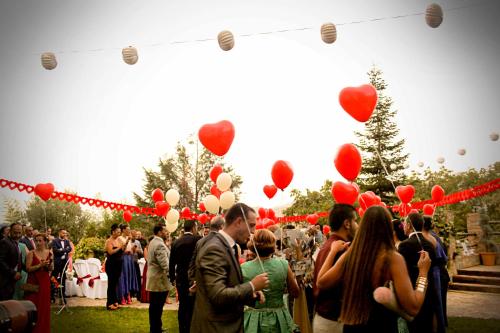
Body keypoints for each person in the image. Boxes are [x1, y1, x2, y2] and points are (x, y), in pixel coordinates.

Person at [317, 206, 432, 333]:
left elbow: (321, 282)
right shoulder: (392, 259)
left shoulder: (350, 255)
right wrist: (423, 273)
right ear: (388, 228)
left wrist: (333, 252)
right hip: (382, 327)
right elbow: (413, 307)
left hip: (351, 326)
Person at [190, 203, 269, 333]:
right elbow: (218, 295)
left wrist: (250, 295)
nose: (253, 231)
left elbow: (228, 286)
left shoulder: (225, 245)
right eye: (251, 225)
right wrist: (252, 286)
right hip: (216, 328)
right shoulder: (215, 248)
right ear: (238, 222)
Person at [241, 229, 300, 333]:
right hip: (279, 317)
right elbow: (295, 293)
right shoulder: (283, 264)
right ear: (273, 245)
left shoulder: (243, 268)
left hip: (252, 319)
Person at [313, 203, 357, 333]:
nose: (357, 225)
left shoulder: (329, 245)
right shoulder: (340, 248)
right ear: (347, 224)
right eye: (355, 220)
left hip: (325, 318)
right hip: (334, 320)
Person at [399, 213, 438, 333]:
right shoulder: (430, 244)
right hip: (429, 289)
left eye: (405, 224)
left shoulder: (404, 245)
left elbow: (402, 271)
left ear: (409, 225)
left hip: (412, 291)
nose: (403, 226)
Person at [169, 220, 201, 333]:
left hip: (181, 277)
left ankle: (182, 328)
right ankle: (191, 328)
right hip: (194, 277)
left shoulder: (176, 242)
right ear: (193, 228)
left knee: (182, 304)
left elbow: (171, 262)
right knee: (193, 304)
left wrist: (172, 277)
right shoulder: (198, 240)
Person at [422, 216, 449, 332]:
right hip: (440, 272)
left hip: (434, 273)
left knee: (435, 304)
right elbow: (444, 257)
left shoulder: (426, 238)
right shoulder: (435, 237)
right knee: (438, 304)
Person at [25, 233, 53, 333]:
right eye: (36, 240)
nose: (38, 242)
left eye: (40, 240)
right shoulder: (31, 253)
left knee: (44, 307)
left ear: (45, 241)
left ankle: (43, 329)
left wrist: (48, 266)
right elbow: (28, 269)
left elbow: (51, 268)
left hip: (44, 282)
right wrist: (39, 265)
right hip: (33, 283)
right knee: (32, 306)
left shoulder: (49, 252)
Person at [146, 224, 172, 333]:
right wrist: (173, 274)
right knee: (157, 307)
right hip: (159, 279)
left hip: (154, 278)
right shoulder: (159, 244)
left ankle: (156, 328)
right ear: (160, 232)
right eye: (165, 230)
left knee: (155, 306)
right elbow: (165, 264)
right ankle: (156, 329)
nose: (167, 232)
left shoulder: (153, 242)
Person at [188, 216, 225, 288]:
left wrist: (192, 280)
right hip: (216, 284)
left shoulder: (199, 242)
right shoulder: (222, 242)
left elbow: (192, 263)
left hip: (200, 283)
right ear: (221, 227)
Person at [104, 223, 126, 310]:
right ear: (113, 232)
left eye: (120, 232)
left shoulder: (119, 240)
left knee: (115, 283)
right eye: (117, 232)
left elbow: (122, 251)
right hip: (111, 264)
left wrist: (124, 245)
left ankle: (115, 301)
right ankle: (109, 304)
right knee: (111, 284)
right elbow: (110, 252)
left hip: (118, 264)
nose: (119, 234)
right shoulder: (109, 241)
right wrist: (120, 247)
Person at [0, 222, 23, 300]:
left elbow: (18, 261)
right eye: (15, 232)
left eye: (19, 232)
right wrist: (13, 273)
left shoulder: (15, 243)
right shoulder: (5, 242)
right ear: (10, 231)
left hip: (12, 280)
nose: (17, 235)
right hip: (4, 280)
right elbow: (1, 261)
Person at [118, 224, 139, 305]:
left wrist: (133, 249)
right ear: (123, 230)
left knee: (129, 276)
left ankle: (128, 295)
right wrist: (127, 241)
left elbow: (131, 251)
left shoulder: (128, 238)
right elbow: (121, 250)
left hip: (130, 259)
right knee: (124, 277)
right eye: (128, 229)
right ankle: (122, 296)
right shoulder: (119, 238)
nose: (129, 231)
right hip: (123, 259)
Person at [52, 229, 71, 303]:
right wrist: (64, 250)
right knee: (54, 278)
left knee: (63, 278)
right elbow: (55, 250)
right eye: (63, 233)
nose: (65, 234)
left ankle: (62, 295)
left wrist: (61, 250)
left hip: (64, 263)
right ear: (59, 233)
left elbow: (70, 249)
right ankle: (52, 294)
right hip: (57, 262)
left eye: (66, 233)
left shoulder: (67, 241)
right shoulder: (55, 241)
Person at [141, 236, 155, 303]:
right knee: (147, 281)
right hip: (148, 267)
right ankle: (147, 298)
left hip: (154, 267)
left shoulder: (155, 248)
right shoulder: (146, 248)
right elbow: (147, 259)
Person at [131, 230, 144, 302]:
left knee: (138, 278)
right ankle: (130, 294)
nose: (134, 237)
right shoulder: (128, 242)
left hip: (136, 262)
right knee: (130, 278)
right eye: (133, 235)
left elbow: (141, 252)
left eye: (135, 235)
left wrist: (138, 250)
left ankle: (139, 295)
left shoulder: (138, 242)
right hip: (129, 262)